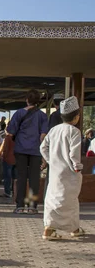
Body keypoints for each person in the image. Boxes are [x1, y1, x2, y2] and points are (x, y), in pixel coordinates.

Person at [40, 96, 85, 240]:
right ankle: (73, 228)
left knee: (53, 199)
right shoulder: (74, 132)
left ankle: (49, 228)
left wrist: (50, 160)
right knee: (70, 200)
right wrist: (77, 167)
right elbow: (74, 153)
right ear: (76, 116)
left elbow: (43, 147)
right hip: (70, 172)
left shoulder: (54, 130)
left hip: (55, 172)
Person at [6, 89, 48, 214]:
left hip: (20, 149)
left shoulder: (18, 114)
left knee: (21, 177)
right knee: (34, 178)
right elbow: (43, 136)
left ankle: (19, 205)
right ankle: (32, 206)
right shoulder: (42, 115)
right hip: (36, 150)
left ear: (26, 100)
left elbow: (10, 131)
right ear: (38, 102)